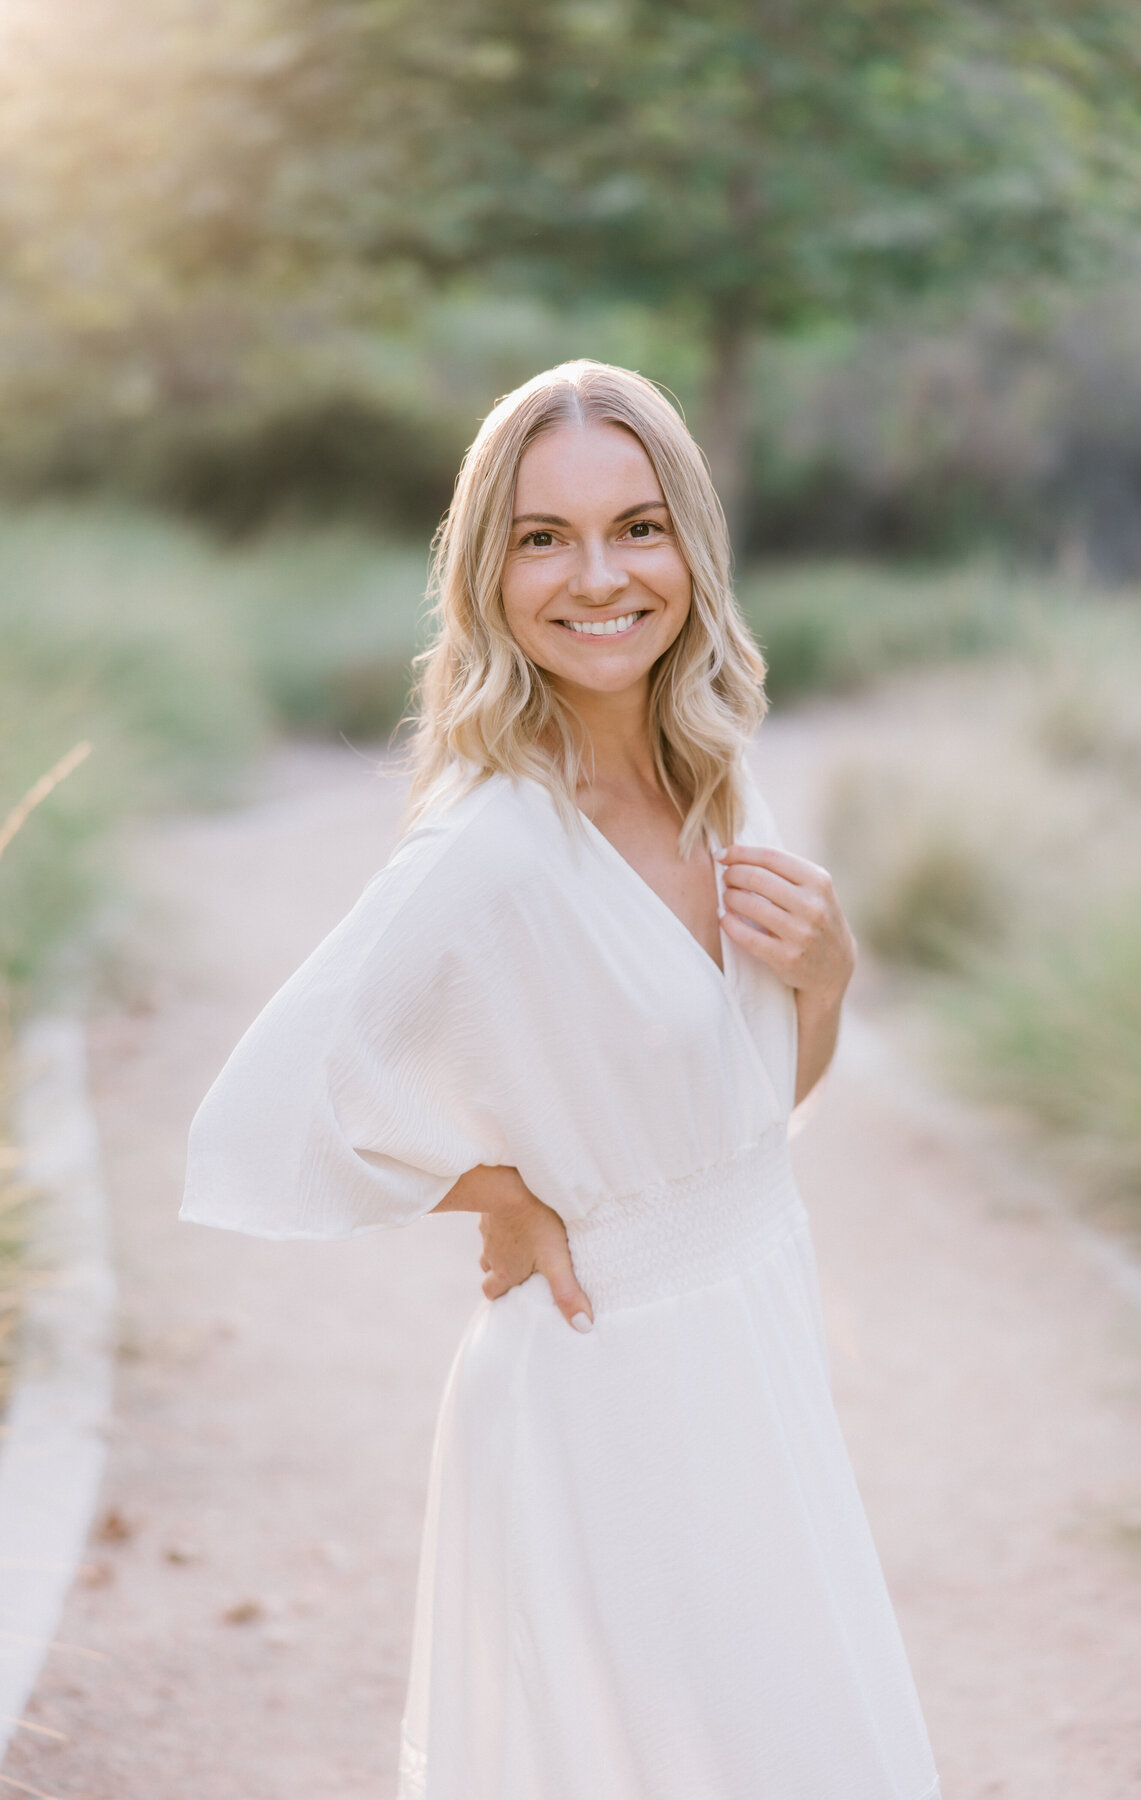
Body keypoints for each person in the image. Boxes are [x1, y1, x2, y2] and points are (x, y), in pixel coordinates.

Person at [180, 360, 941, 1800]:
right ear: (490, 573)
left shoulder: (716, 778)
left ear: (690, 548)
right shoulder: (494, 846)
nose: (598, 577)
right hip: (608, 1393)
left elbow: (753, 1123)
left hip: (754, 1349)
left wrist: (825, 979)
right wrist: (497, 1193)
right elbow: (261, 1116)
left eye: (636, 527)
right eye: (544, 538)